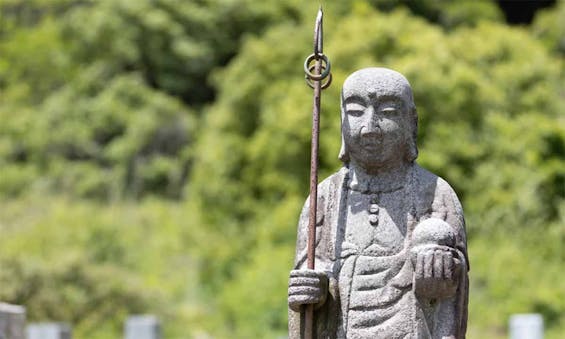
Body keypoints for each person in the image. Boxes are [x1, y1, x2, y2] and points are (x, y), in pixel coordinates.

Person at [288, 68, 469, 339]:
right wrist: (312, 289)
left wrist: (441, 270)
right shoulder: (324, 198)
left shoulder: (435, 194)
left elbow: (454, 297)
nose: (369, 128)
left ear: (412, 123)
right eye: (356, 112)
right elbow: (307, 280)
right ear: (341, 121)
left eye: (387, 112)